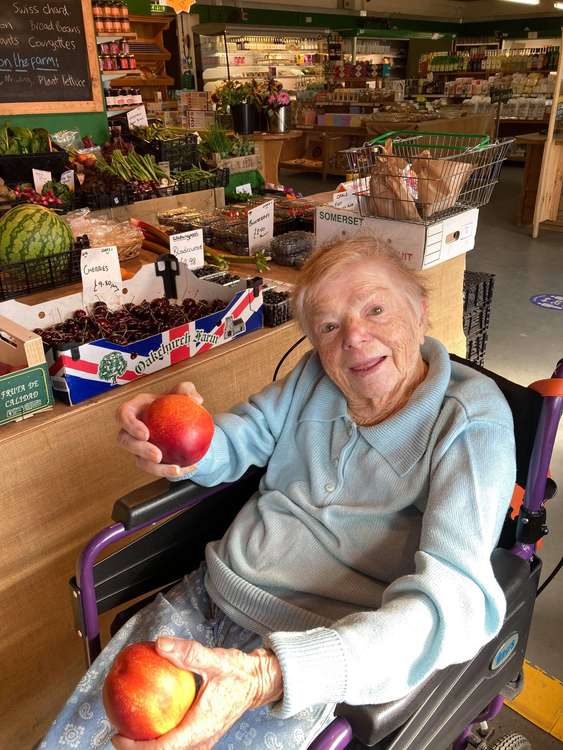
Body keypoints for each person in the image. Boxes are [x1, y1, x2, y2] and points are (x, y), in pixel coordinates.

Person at [42, 238, 516, 750]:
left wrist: (271, 675)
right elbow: (240, 437)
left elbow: (452, 599)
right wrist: (186, 443)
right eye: (329, 327)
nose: (354, 337)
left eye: (376, 308)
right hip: (210, 597)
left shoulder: (470, 423)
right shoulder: (313, 379)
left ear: (420, 311)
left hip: (311, 652)